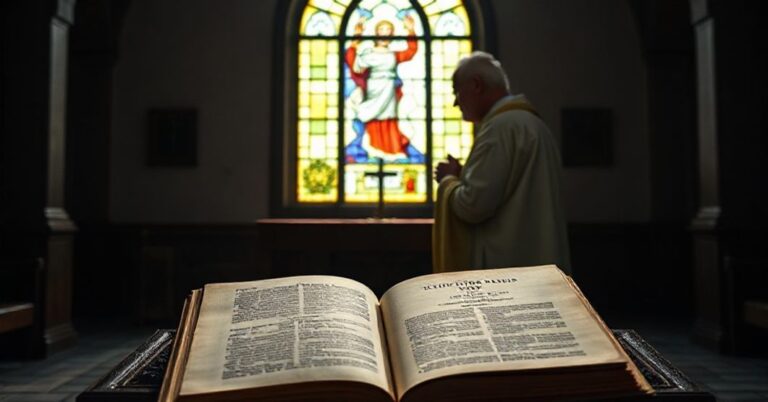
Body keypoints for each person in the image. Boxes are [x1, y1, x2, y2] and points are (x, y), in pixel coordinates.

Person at [433, 51, 571, 274]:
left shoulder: (500, 128)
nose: (456, 102)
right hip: (539, 263)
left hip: (511, 271)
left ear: (476, 85)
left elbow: (472, 206)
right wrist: (463, 175)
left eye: (457, 92)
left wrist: (448, 179)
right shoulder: (530, 123)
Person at [345, 15, 425, 164]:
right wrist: (356, 36)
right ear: (375, 34)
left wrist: (410, 30)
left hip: (389, 90)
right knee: (373, 118)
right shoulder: (368, 54)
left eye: (388, 31)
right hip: (374, 88)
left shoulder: (393, 55)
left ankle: (392, 151)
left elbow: (411, 50)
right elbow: (354, 64)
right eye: (381, 31)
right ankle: (373, 150)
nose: (384, 34)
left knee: (390, 120)